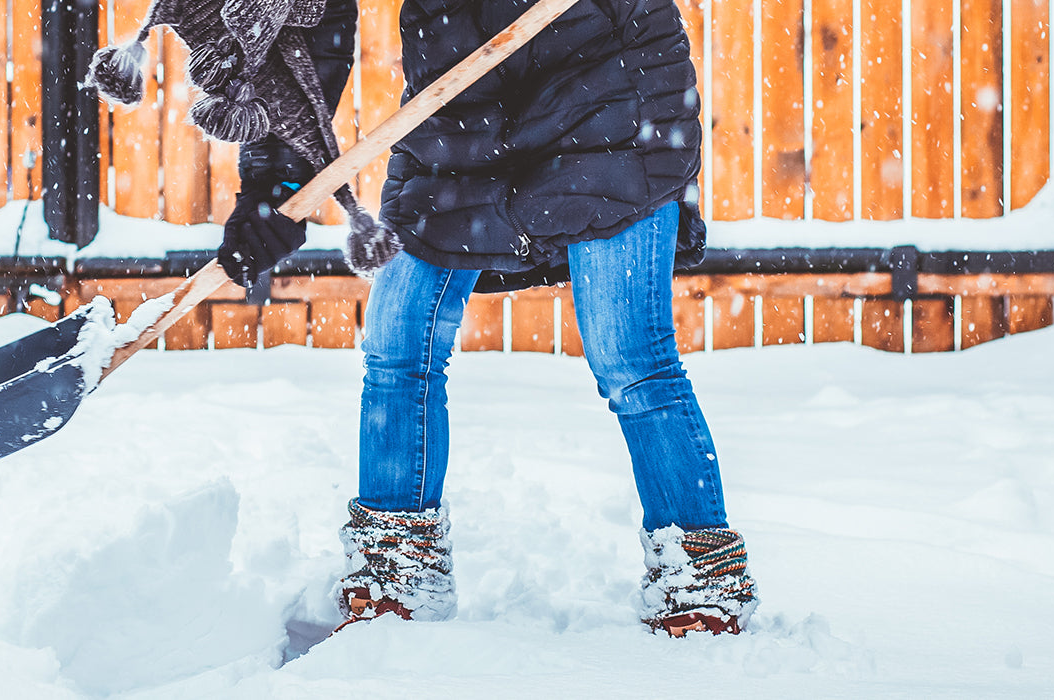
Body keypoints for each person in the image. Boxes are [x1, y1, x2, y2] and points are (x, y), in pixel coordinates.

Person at [214, 0, 757, 637]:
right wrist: (274, 179)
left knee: (629, 354)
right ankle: (396, 566)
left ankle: (700, 572)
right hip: (460, 110)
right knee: (397, 340)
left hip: (609, 93)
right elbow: (303, 21)